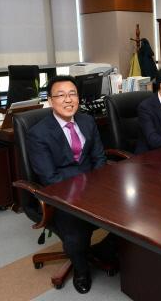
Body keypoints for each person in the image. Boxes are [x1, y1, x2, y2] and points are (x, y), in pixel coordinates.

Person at [27, 75, 116, 294]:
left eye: (72, 94)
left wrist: (99, 186)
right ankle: (81, 269)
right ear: (50, 101)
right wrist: (84, 193)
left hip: (93, 186)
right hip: (60, 195)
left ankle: (102, 251)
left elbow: (99, 158)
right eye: (61, 95)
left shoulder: (87, 121)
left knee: (128, 211)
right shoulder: (38, 134)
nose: (68, 100)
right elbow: (49, 178)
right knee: (75, 229)